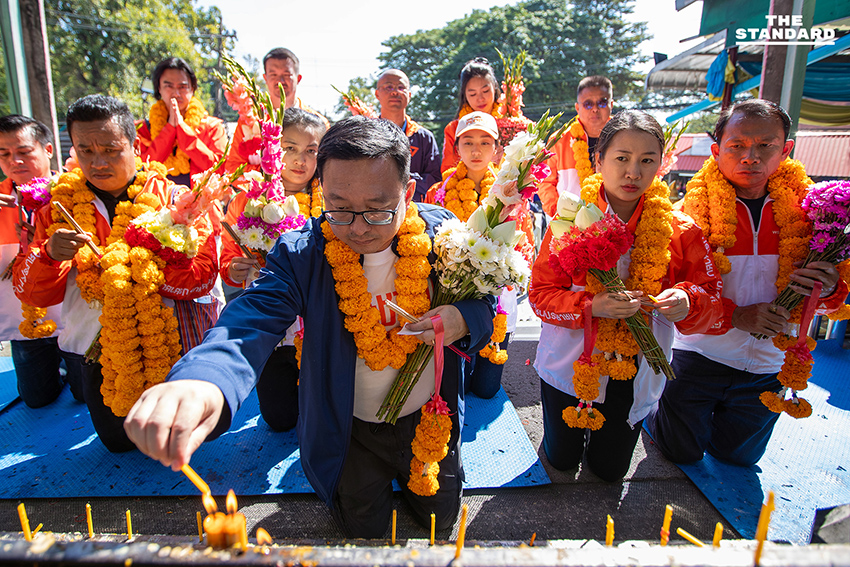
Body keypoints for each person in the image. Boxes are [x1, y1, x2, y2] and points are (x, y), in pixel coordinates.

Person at [124, 116, 494, 538]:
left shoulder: (443, 236)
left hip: (430, 416)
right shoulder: (303, 254)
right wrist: (205, 380)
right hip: (348, 429)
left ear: (407, 192)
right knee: (364, 529)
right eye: (339, 207)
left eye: (377, 210)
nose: (356, 226)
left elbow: (483, 296)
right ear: (321, 194)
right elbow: (252, 318)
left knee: (440, 520)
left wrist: (464, 318)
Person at [646, 99, 848, 467]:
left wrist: (830, 285)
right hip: (699, 354)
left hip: (770, 363)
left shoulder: (815, 214)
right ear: (716, 150)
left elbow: (832, 302)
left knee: (736, 457)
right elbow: (666, 289)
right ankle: (655, 409)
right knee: (681, 453)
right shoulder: (687, 216)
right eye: (736, 146)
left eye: (765, 146)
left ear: (786, 149)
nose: (750, 157)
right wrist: (736, 317)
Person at [14, 95, 219, 452]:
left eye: (110, 149)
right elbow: (32, 294)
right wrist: (48, 255)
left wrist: (145, 267)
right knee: (118, 444)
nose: (98, 162)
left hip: (169, 342)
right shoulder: (55, 208)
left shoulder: (178, 200)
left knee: (184, 443)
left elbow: (204, 275)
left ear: (135, 145)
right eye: (85, 150)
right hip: (98, 353)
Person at [529, 110, 723, 482]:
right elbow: (540, 295)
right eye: (622, 158)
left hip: (634, 371)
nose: (633, 172)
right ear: (598, 161)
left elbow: (711, 297)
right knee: (562, 460)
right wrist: (591, 306)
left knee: (609, 472)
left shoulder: (680, 231)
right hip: (571, 366)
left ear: (662, 165)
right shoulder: (569, 221)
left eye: (647, 160)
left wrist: (687, 299)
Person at [220, 107, 327, 431]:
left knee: (323, 415)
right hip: (274, 323)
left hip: (321, 322)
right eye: (290, 148)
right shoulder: (247, 200)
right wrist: (233, 269)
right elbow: (227, 256)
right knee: (279, 420)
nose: (300, 160)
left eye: (311, 151)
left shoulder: (332, 198)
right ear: (272, 150)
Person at [426, 111, 529, 398]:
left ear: (497, 149)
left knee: (485, 390)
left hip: (496, 297)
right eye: (468, 142)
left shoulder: (513, 194)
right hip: (451, 295)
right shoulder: (438, 193)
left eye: (485, 142)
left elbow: (524, 244)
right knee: (449, 385)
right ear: (456, 147)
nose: (476, 150)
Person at [0, 114, 83, 407]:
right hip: (25, 320)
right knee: (36, 398)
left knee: (85, 395)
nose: (15, 161)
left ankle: (69, 370)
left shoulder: (76, 193)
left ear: (48, 150)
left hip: (72, 314)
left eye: (24, 152)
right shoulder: (1, 199)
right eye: (5, 154)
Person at [225, 48, 329, 173]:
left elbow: (326, 168)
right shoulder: (249, 120)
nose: (280, 81)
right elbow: (233, 167)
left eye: (287, 75)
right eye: (273, 75)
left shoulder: (319, 123)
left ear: (298, 78)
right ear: (265, 77)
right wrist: (269, 175)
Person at [137, 57, 228, 187]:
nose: (176, 93)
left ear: (192, 89)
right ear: (159, 88)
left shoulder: (212, 127)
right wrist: (169, 129)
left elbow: (219, 168)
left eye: (183, 87)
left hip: (201, 204)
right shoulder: (143, 129)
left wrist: (182, 129)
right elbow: (142, 168)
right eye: (169, 86)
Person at [537, 76, 614, 218]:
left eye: (602, 103)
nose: (595, 109)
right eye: (588, 104)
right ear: (578, 107)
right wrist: (557, 212)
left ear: (611, 104)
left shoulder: (622, 138)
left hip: (612, 220)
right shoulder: (560, 139)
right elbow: (545, 181)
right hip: (568, 224)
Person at [374, 69, 441, 202]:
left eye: (400, 87)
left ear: (409, 95)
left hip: (415, 210)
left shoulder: (424, 137)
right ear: (377, 94)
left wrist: (403, 177)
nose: (394, 92)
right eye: (388, 87)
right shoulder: (367, 134)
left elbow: (434, 181)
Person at [441, 57, 502, 173]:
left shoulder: (512, 124)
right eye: (472, 94)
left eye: (485, 91)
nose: (480, 99)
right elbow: (447, 170)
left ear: (495, 88)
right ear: (465, 95)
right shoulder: (453, 129)